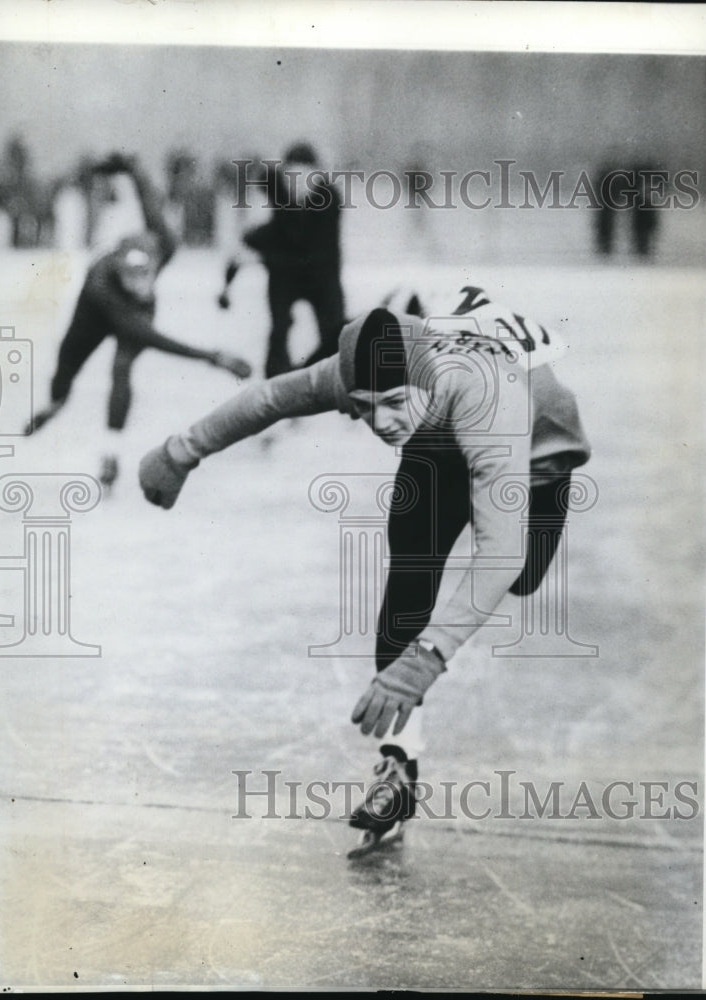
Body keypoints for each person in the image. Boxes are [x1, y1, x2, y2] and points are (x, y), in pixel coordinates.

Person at [138, 291, 591, 855]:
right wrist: (182, 450)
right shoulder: (362, 372)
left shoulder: (482, 393)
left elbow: (501, 552)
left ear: (422, 379)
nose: (380, 423)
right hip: (439, 438)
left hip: (535, 455)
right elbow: (271, 398)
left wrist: (426, 658)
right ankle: (397, 770)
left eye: (393, 402)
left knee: (519, 577)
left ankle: (405, 701)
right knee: (410, 568)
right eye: (363, 405)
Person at [26, 153, 252, 490]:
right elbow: (155, 339)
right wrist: (214, 357)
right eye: (135, 282)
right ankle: (55, 403)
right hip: (96, 314)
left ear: (155, 262)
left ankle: (110, 454)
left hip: (133, 311)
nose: (143, 287)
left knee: (121, 369)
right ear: (120, 274)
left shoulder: (164, 245)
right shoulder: (102, 284)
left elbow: (151, 207)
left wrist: (134, 171)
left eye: (147, 277)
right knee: (65, 375)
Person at [217, 141, 345, 378]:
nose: (296, 183)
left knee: (334, 334)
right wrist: (228, 284)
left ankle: (313, 376)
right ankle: (276, 380)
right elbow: (261, 178)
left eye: (305, 177)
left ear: (318, 177)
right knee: (279, 330)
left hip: (320, 272)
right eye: (291, 176)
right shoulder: (278, 186)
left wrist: (261, 258)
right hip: (285, 270)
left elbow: (315, 257)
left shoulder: (329, 200)